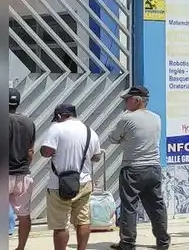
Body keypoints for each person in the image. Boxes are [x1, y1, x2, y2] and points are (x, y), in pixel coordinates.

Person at [107, 86, 170, 250]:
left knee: (129, 207)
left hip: (133, 168)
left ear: (137, 100)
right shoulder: (156, 118)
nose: (125, 102)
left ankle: (127, 243)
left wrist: (125, 139)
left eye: (127, 99)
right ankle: (163, 241)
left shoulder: (127, 119)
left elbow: (113, 139)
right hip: (154, 167)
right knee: (157, 206)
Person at [39, 103, 103, 250]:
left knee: (60, 225)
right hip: (84, 182)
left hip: (59, 184)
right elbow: (97, 157)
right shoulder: (90, 131)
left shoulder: (56, 128)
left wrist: (44, 149)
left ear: (60, 116)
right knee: (83, 220)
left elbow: (47, 152)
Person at [9, 87, 36, 250]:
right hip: (23, 174)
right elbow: (30, 151)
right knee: (24, 215)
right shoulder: (29, 123)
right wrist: (25, 166)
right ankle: (20, 248)